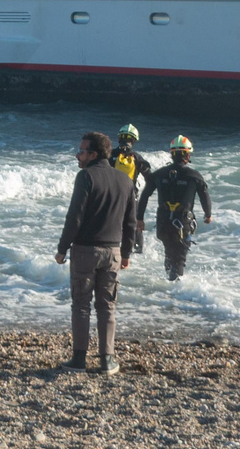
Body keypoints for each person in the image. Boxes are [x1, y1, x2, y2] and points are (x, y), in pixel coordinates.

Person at [54, 131, 137, 374]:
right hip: (112, 252)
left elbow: (74, 217)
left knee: (81, 304)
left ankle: (79, 359)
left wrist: (62, 249)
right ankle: (107, 360)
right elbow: (130, 222)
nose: (78, 155)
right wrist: (126, 254)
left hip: (85, 251)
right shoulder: (125, 180)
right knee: (107, 306)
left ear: (93, 154)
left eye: (81, 151)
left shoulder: (86, 176)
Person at [138, 135, 212, 281]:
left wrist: (139, 218)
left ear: (172, 154)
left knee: (169, 254)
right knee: (179, 259)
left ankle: (168, 286)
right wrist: (208, 214)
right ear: (188, 154)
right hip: (182, 223)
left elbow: (144, 196)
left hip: (163, 221)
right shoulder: (194, 176)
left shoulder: (159, 174)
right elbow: (204, 196)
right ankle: (174, 293)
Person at [109, 124, 154, 253]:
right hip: (130, 197)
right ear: (133, 141)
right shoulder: (137, 158)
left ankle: (111, 250)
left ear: (119, 139)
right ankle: (137, 253)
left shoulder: (109, 155)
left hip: (111, 197)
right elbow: (150, 179)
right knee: (134, 227)